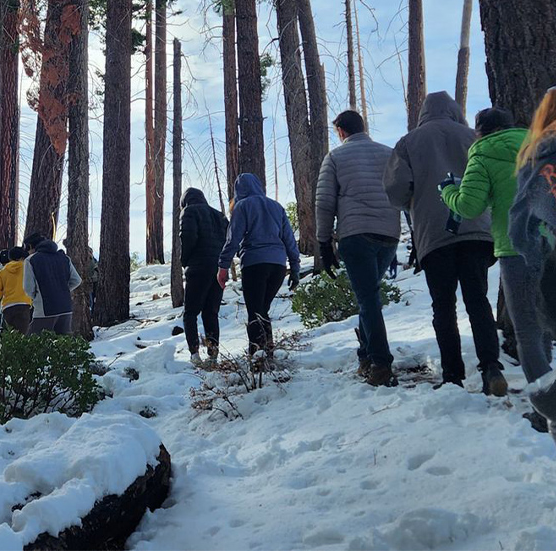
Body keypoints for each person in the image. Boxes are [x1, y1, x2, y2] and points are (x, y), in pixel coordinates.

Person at [384, 91, 507, 395]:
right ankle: (491, 366)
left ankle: (452, 375)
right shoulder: (472, 137)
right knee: (478, 301)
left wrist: (415, 200)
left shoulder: (408, 143)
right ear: (454, 111)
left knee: (443, 306)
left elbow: (396, 192)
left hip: (434, 235)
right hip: (477, 229)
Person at [440, 108, 551, 405]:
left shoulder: (482, 154)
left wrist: (449, 190)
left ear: (480, 132)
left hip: (516, 249)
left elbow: (468, 206)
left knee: (527, 329)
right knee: (543, 325)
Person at [315, 110, 401, 387]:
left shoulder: (336, 157)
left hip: (356, 235)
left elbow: (325, 202)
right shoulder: (389, 154)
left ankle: (380, 364)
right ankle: (366, 355)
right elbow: (403, 193)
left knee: (368, 299)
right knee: (369, 296)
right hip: (388, 234)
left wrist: (323, 241)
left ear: (341, 130)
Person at [509, 88, 556, 433]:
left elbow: (521, 222)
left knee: (531, 330)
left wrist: (533, 254)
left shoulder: (537, 157)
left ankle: (548, 413)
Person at [217, 173, 301, 359]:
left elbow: (233, 240)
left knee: (255, 313)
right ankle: (267, 354)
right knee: (262, 310)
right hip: (278, 266)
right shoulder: (276, 207)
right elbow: (289, 239)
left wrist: (223, 266)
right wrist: (295, 268)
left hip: (254, 264)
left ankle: (258, 359)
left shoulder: (242, 206)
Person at [180, 187, 229, 365]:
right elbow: (228, 240)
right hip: (219, 269)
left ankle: (194, 354)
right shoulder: (219, 215)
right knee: (211, 312)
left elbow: (188, 237)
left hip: (198, 268)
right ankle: (213, 354)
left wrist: (184, 260)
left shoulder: (189, 211)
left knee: (190, 312)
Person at [23, 233, 82, 335]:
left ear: (31, 246)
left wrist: (36, 297)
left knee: (35, 344)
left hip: (44, 309)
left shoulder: (31, 260)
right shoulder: (64, 258)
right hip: (66, 307)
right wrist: (63, 290)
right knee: (63, 344)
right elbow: (77, 280)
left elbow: (28, 288)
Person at [0, 246, 33, 334]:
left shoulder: (3, 272)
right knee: (23, 337)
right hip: (24, 305)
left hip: (7, 307)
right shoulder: (28, 269)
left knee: (7, 337)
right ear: (22, 257)